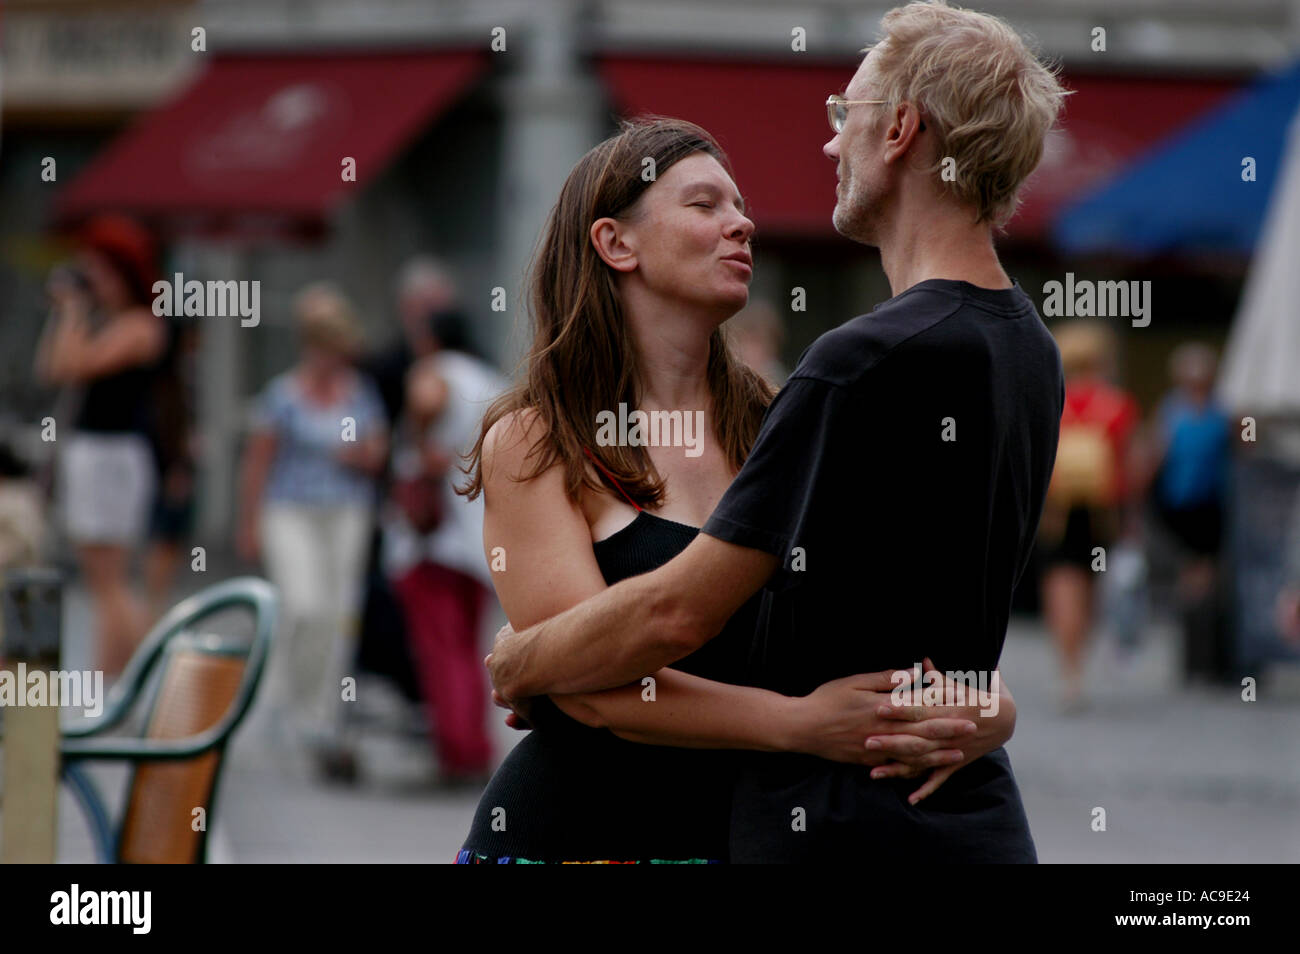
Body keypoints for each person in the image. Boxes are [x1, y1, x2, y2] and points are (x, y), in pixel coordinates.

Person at [487, 1, 1067, 864]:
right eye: (704, 203)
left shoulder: (796, 404)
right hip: (590, 829)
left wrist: (518, 661)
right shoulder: (541, 440)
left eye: (846, 115)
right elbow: (604, 690)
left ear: (903, 129)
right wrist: (799, 724)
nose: (744, 222)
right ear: (615, 243)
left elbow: (871, 621)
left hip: (751, 830)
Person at [236, 283, 389, 780]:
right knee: (303, 606)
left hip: (345, 512)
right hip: (291, 510)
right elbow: (257, 461)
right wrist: (249, 520)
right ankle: (286, 702)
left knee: (338, 615)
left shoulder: (359, 393)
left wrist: (354, 456)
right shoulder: (283, 395)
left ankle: (319, 714)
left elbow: (376, 454)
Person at [35, 214, 168, 676]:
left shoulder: (140, 325)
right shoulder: (106, 321)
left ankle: (123, 679)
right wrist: (69, 311)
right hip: (95, 454)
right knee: (102, 582)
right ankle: (122, 679)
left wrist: (74, 310)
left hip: (113, 456)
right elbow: (50, 367)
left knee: (108, 582)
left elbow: (75, 366)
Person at [382, 305, 507, 785]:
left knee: (440, 650)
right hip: (477, 539)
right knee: (468, 648)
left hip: (431, 540)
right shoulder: (490, 381)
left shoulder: (438, 372)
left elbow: (428, 397)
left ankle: (455, 753)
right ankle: (473, 746)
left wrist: (417, 436)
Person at [1038, 323, 1140, 710]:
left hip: (1056, 509)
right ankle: (1080, 662)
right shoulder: (1116, 405)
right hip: (1101, 511)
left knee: (1061, 585)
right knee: (1091, 586)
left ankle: (1069, 670)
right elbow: (1127, 467)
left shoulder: (1052, 400)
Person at [1146, 343, 1232, 682]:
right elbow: (1156, 452)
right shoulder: (1172, 409)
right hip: (1178, 504)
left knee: (1204, 575)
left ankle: (1204, 653)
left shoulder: (1222, 411)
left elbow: (1242, 447)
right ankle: (1194, 652)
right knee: (1193, 574)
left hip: (1211, 505)